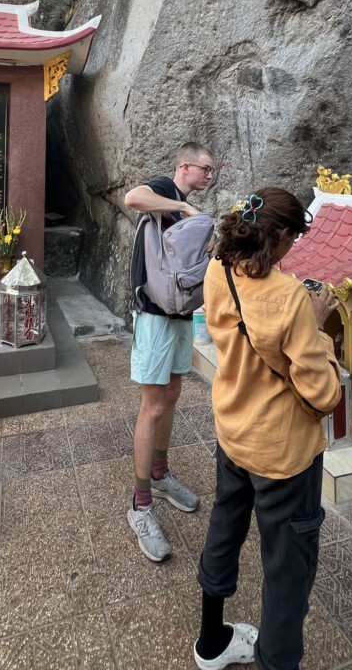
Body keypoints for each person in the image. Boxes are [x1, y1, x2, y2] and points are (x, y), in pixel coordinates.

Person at [194, 187, 342, 670]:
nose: (292, 248)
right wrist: (318, 327)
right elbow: (322, 393)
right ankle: (276, 661)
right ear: (277, 237)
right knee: (287, 565)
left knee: (225, 523)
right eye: (292, 239)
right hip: (281, 451)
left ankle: (211, 641)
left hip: (232, 429)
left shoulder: (218, 269)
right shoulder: (290, 296)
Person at [124, 141, 216, 562]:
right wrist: (181, 207)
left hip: (180, 314)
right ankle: (140, 504)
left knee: (173, 393)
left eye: (212, 171)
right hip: (154, 315)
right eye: (205, 169)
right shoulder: (164, 189)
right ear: (185, 166)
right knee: (153, 405)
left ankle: (160, 474)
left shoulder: (185, 205)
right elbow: (133, 197)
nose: (209, 176)